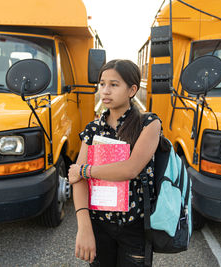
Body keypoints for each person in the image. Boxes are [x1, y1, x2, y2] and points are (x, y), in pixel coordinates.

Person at [68, 59, 162, 267]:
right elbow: (78, 181)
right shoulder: (93, 129)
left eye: (114, 84)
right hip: (99, 226)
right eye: (102, 84)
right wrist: (84, 228)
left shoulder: (148, 123)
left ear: (132, 89)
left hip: (134, 227)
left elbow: (130, 168)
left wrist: (85, 170)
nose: (106, 91)